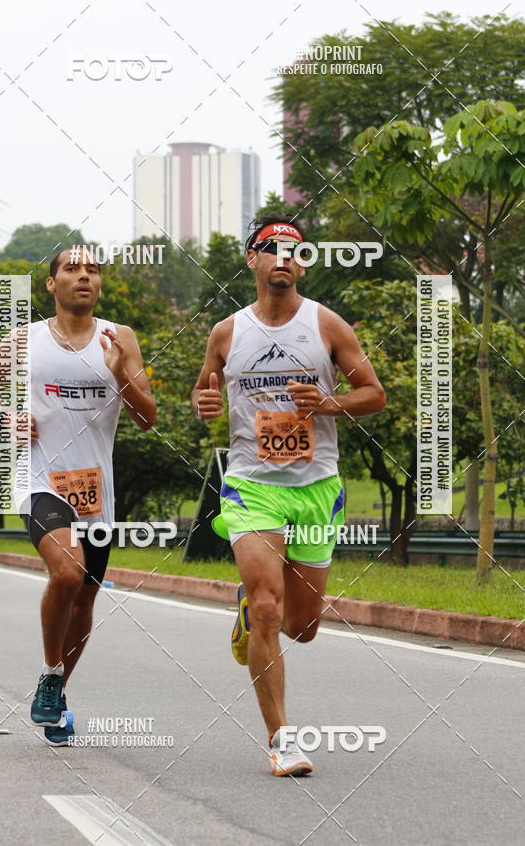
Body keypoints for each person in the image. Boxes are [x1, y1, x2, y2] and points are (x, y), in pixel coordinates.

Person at [191, 216, 386, 775]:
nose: (284, 258)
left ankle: (248, 614)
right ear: (252, 260)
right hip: (252, 486)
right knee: (270, 608)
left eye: (295, 251)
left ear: (303, 263)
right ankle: (281, 741)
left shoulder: (326, 325)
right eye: (271, 249)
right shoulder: (227, 332)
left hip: (316, 487)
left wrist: (327, 404)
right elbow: (205, 386)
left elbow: (374, 393)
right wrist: (202, 403)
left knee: (302, 626)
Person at [0, 246, 156, 745]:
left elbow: (147, 416)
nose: (84, 276)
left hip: (97, 492)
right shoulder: (23, 339)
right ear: (51, 285)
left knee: (85, 598)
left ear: (99, 285)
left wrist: (119, 372)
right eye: (72, 269)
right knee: (68, 573)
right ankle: (52, 676)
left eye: (93, 270)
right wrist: (6, 418)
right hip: (39, 480)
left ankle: (55, 689)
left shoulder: (121, 338)